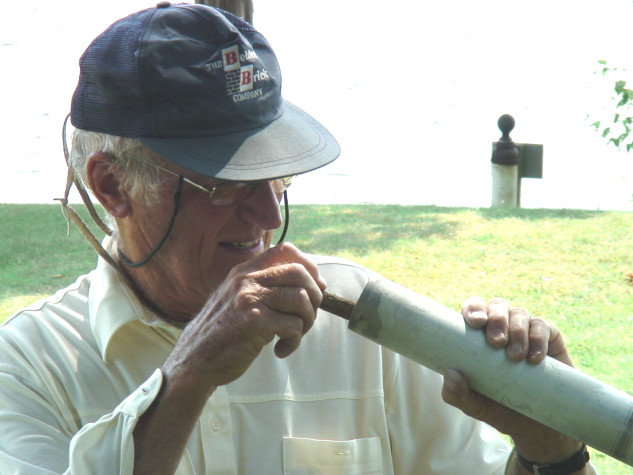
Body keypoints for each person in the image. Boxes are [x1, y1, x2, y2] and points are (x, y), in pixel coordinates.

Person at [0, 3, 595, 474]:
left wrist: (552, 452)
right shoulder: (27, 367)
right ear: (112, 186)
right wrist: (190, 373)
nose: (265, 213)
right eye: (225, 182)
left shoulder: (364, 323)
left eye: (277, 175)